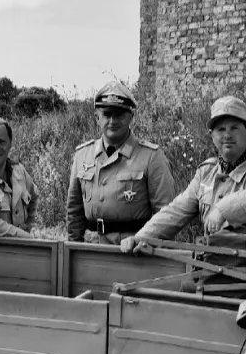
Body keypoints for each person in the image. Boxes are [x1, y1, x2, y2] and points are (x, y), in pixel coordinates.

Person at [121, 95, 246, 252]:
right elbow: (175, 212)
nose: (227, 135)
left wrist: (224, 208)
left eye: (234, 128)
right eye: (221, 129)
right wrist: (141, 238)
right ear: (211, 136)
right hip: (211, 267)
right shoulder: (206, 172)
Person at [66, 80, 176, 245]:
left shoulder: (151, 157)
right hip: (91, 248)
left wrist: (152, 250)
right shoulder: (83, 155)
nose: (113, 121)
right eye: (107, 114)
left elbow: (166, 215)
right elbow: (74, 212)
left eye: (119, 114)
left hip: (133, 252)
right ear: (97, 117)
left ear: (131, 117)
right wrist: (73, 250)